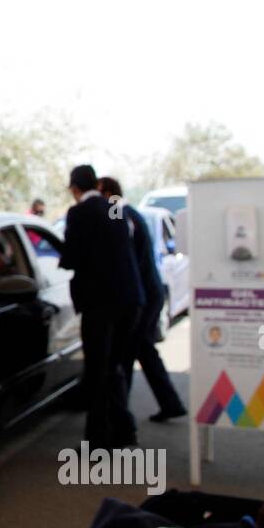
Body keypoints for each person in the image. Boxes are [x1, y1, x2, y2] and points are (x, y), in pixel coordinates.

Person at [58, 164, 144, 449]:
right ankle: (124, 430)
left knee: (96, 371)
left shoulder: (77, 213)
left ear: (74, 189)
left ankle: (97, 442)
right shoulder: (115, 207)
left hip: (100, 304)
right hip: (130, 300)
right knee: (114, 367)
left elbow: (70, 257)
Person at [98, 177, 186, 423]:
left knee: (123, 356)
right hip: (148, 292)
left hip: (141, 297)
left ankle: (120, 419)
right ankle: (170, 403)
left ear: (106, 193)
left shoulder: (118, 213)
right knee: (144, 350)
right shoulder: (131, 213)